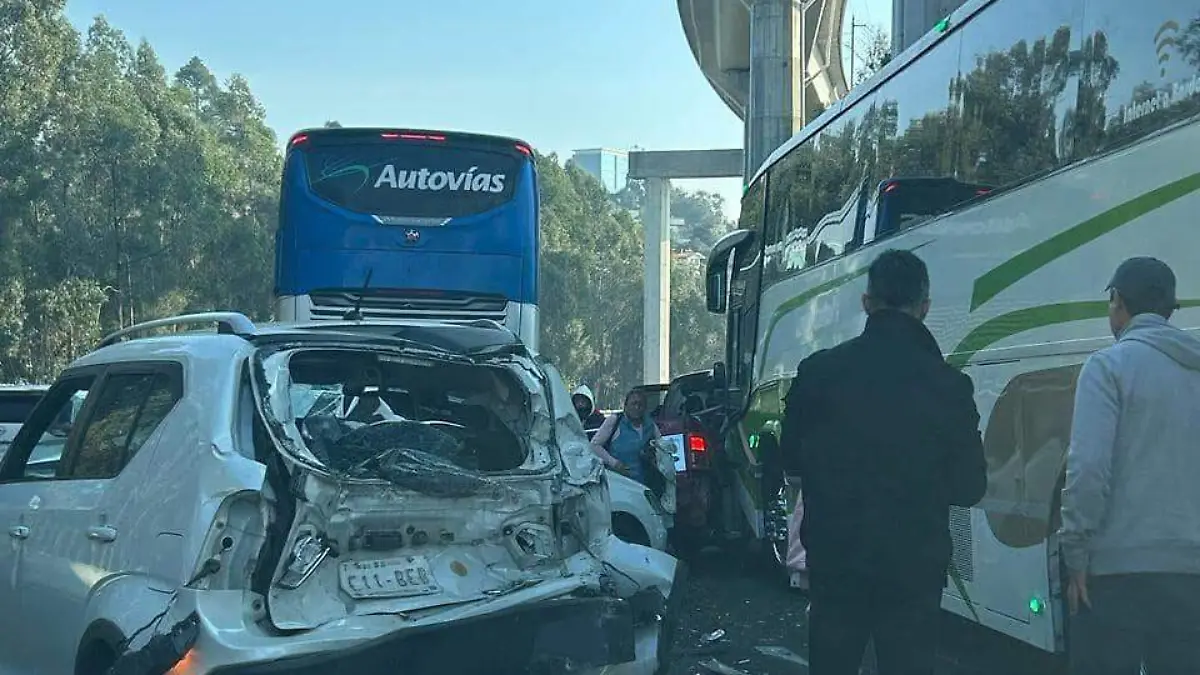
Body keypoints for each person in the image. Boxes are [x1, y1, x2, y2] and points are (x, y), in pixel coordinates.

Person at [780, 249, 986, 675]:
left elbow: (791, 463)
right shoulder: (950, 386)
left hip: (836, 565)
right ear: (924, 308)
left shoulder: (818, 372)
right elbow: (970, 486)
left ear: (867, 302)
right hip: (914, 570)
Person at [1059, 257, 1200, 674]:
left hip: (1116, 574)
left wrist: (1076, 556)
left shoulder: (1108, 367)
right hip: (1191, 576)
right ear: (1170, 309)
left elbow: (1087, 470)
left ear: (1118, 302)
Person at [590, 387, 661, 484]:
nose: (637, 407)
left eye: (640, 404)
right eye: (633, 404)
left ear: (645, 408)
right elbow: (594, 446)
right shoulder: (615, 421)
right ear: (625, 406)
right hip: (619, 483)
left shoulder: (650, 425)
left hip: (646, 486)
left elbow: (662, 448)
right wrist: (615, 464)